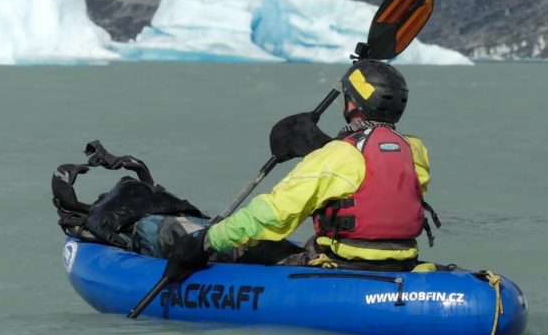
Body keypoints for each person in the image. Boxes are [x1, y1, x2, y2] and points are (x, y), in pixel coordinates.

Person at [165, 59, 439, 278]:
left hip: (343, 265)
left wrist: (206, 240)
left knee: (201, 237)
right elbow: (376, 181)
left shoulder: (337, 155)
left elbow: (271, 214)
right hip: (402, 263)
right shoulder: (414, 150)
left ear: (353, 103)